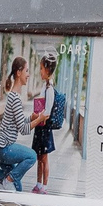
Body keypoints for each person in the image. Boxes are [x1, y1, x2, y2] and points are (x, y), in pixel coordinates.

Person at [0, 58, 37, 191]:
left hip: (0, 148)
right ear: (18, 72)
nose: (28, 74)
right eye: (26, 71)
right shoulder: (15, 98)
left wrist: (31, 118)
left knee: (18, 188)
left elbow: (19, 121)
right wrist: (39, 120)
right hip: (4, 148)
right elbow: (23, 129)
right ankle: (7, 178)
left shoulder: (13, 96)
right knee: (32, 156)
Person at [28, 55, 60, 194]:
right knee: (39, 156)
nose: (40, 71)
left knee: (44, 158)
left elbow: (47, 111)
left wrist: (38, 117)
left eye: (41, 68)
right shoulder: (44, 87)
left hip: (44, 128)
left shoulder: (50, 89)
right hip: (40, 127)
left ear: (47, 69)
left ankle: (44, 187)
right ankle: (38, 184)